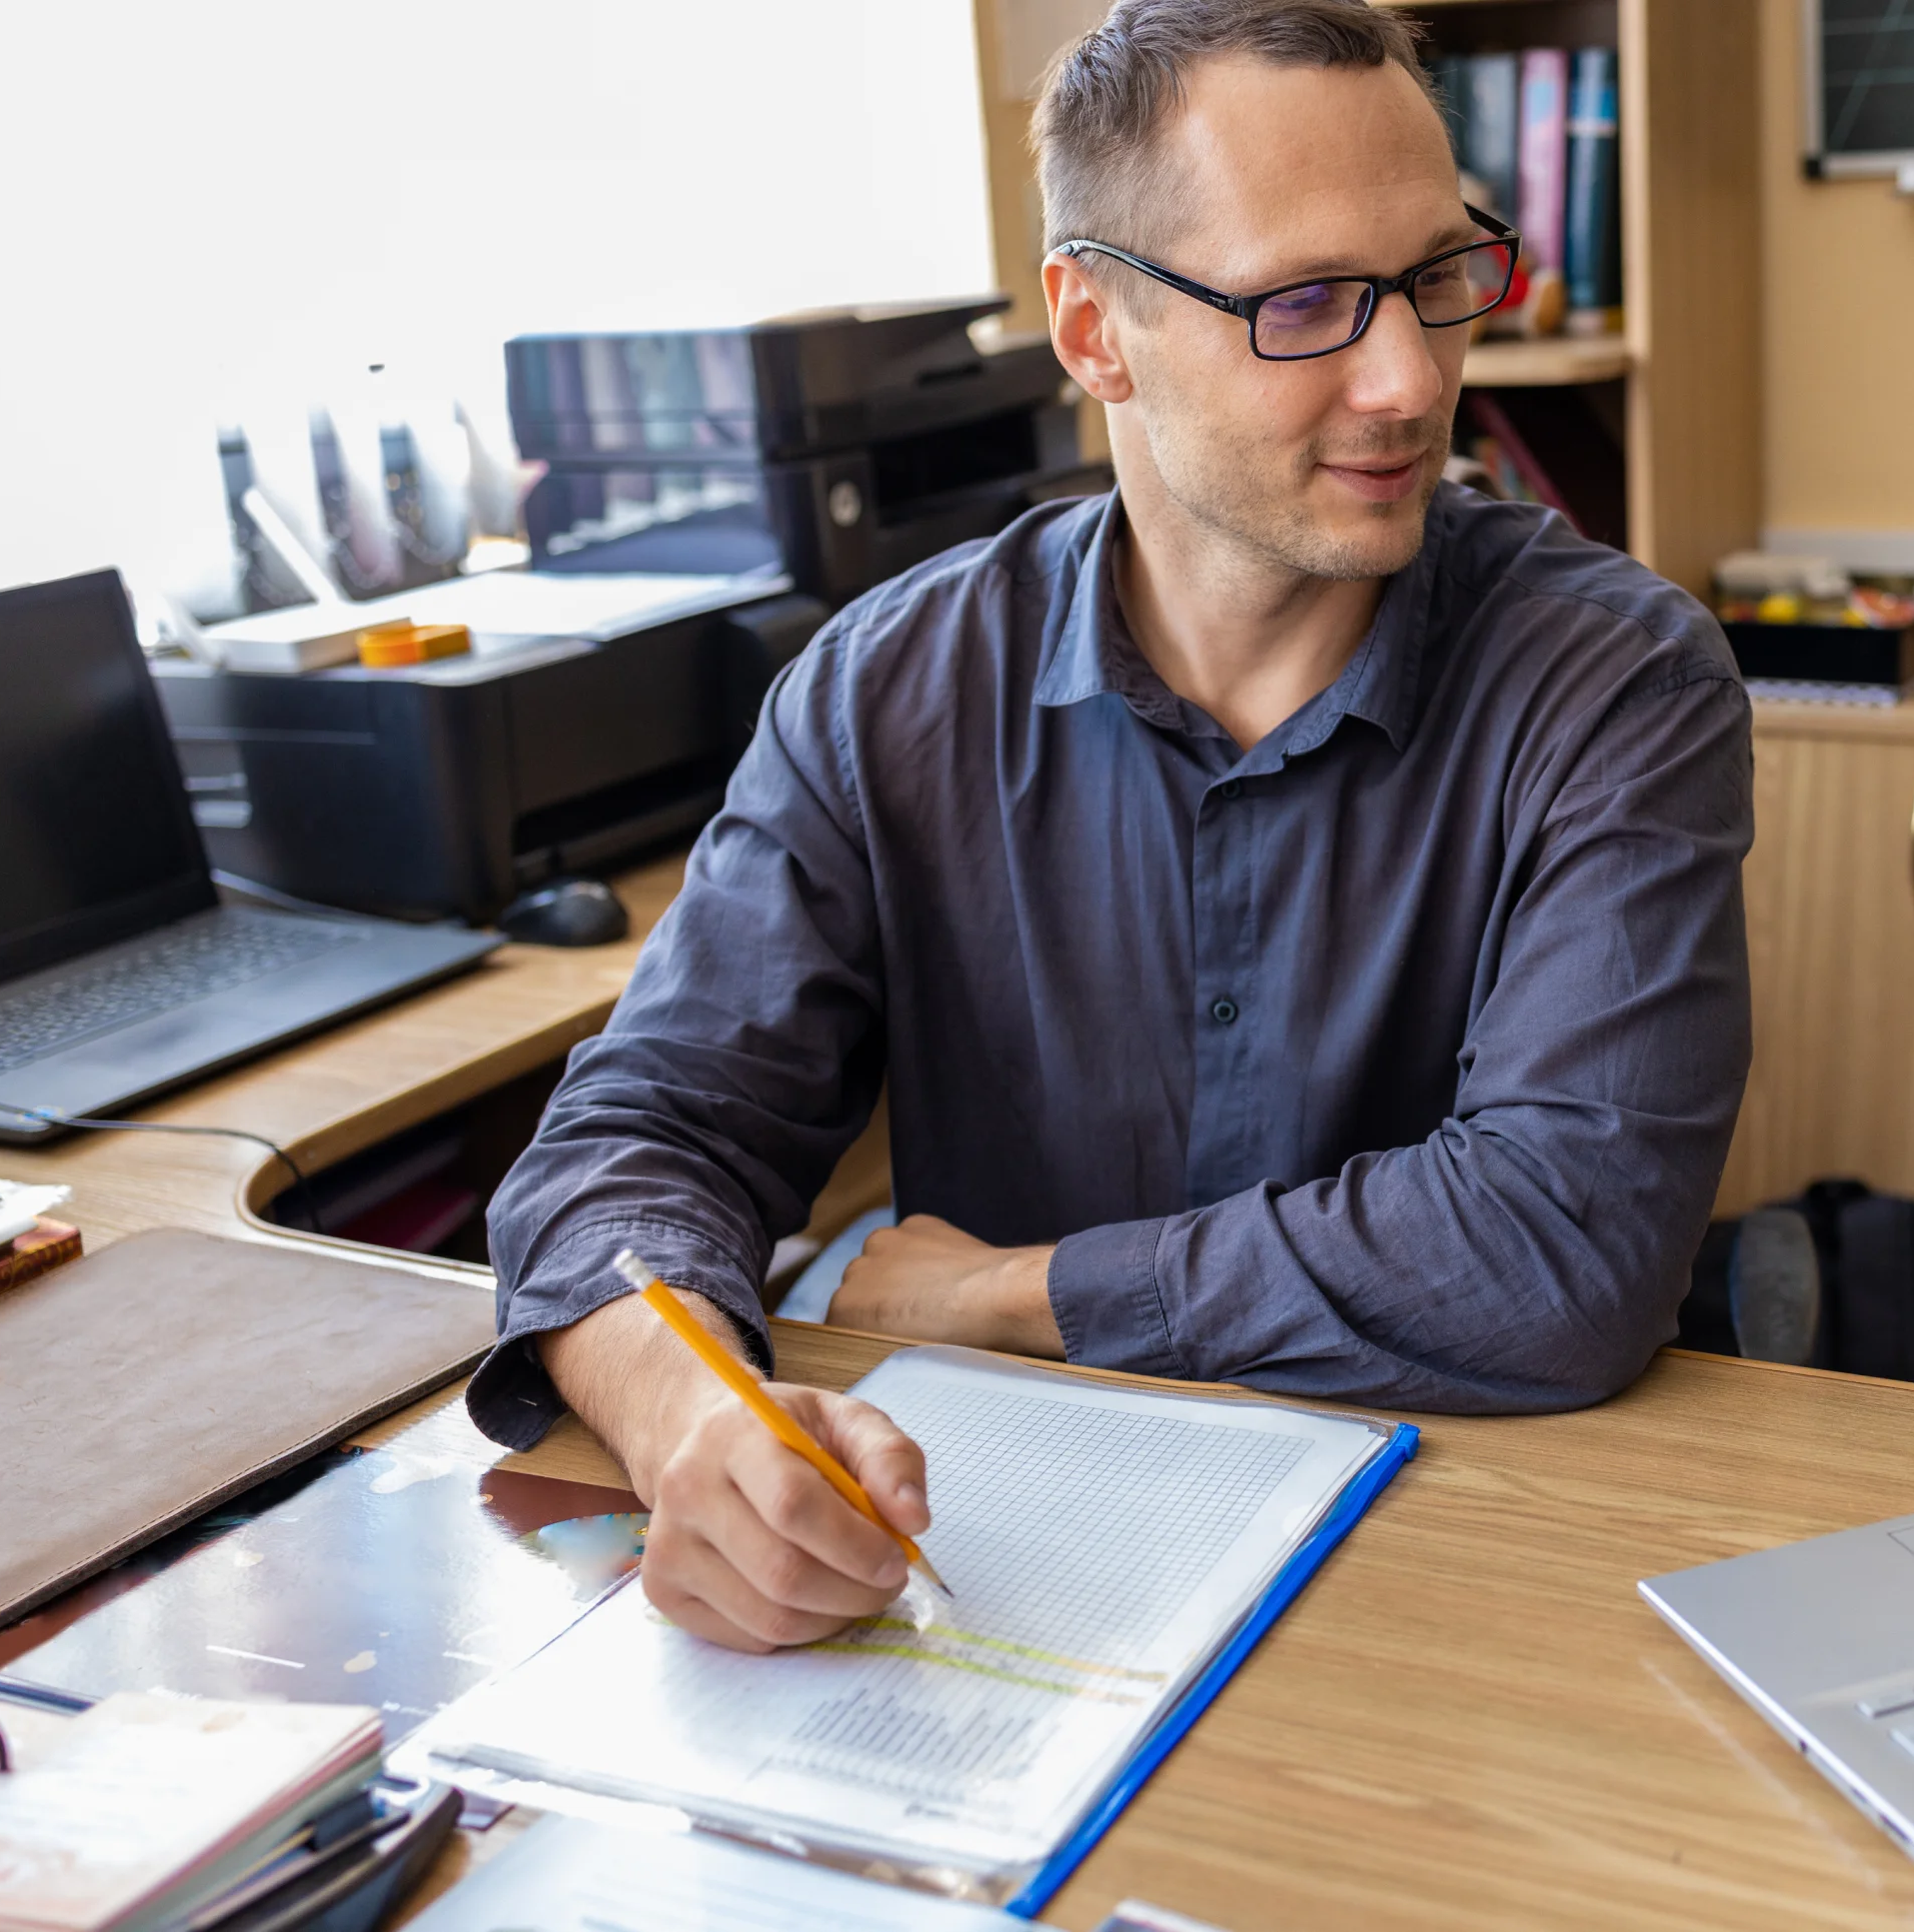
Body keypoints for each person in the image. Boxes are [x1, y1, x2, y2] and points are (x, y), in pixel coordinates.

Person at [467, 0, 1753, 1654]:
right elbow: (630, 1146)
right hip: (1008, 1563)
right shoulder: (886, 690)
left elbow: (1558, 1243)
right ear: (1093, 330)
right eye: (1304, 302)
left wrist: (1010, 1292)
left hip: (1467, 1552)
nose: (1409, 375)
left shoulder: (1615, 675)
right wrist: (696, 1419)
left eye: (1438, 278)